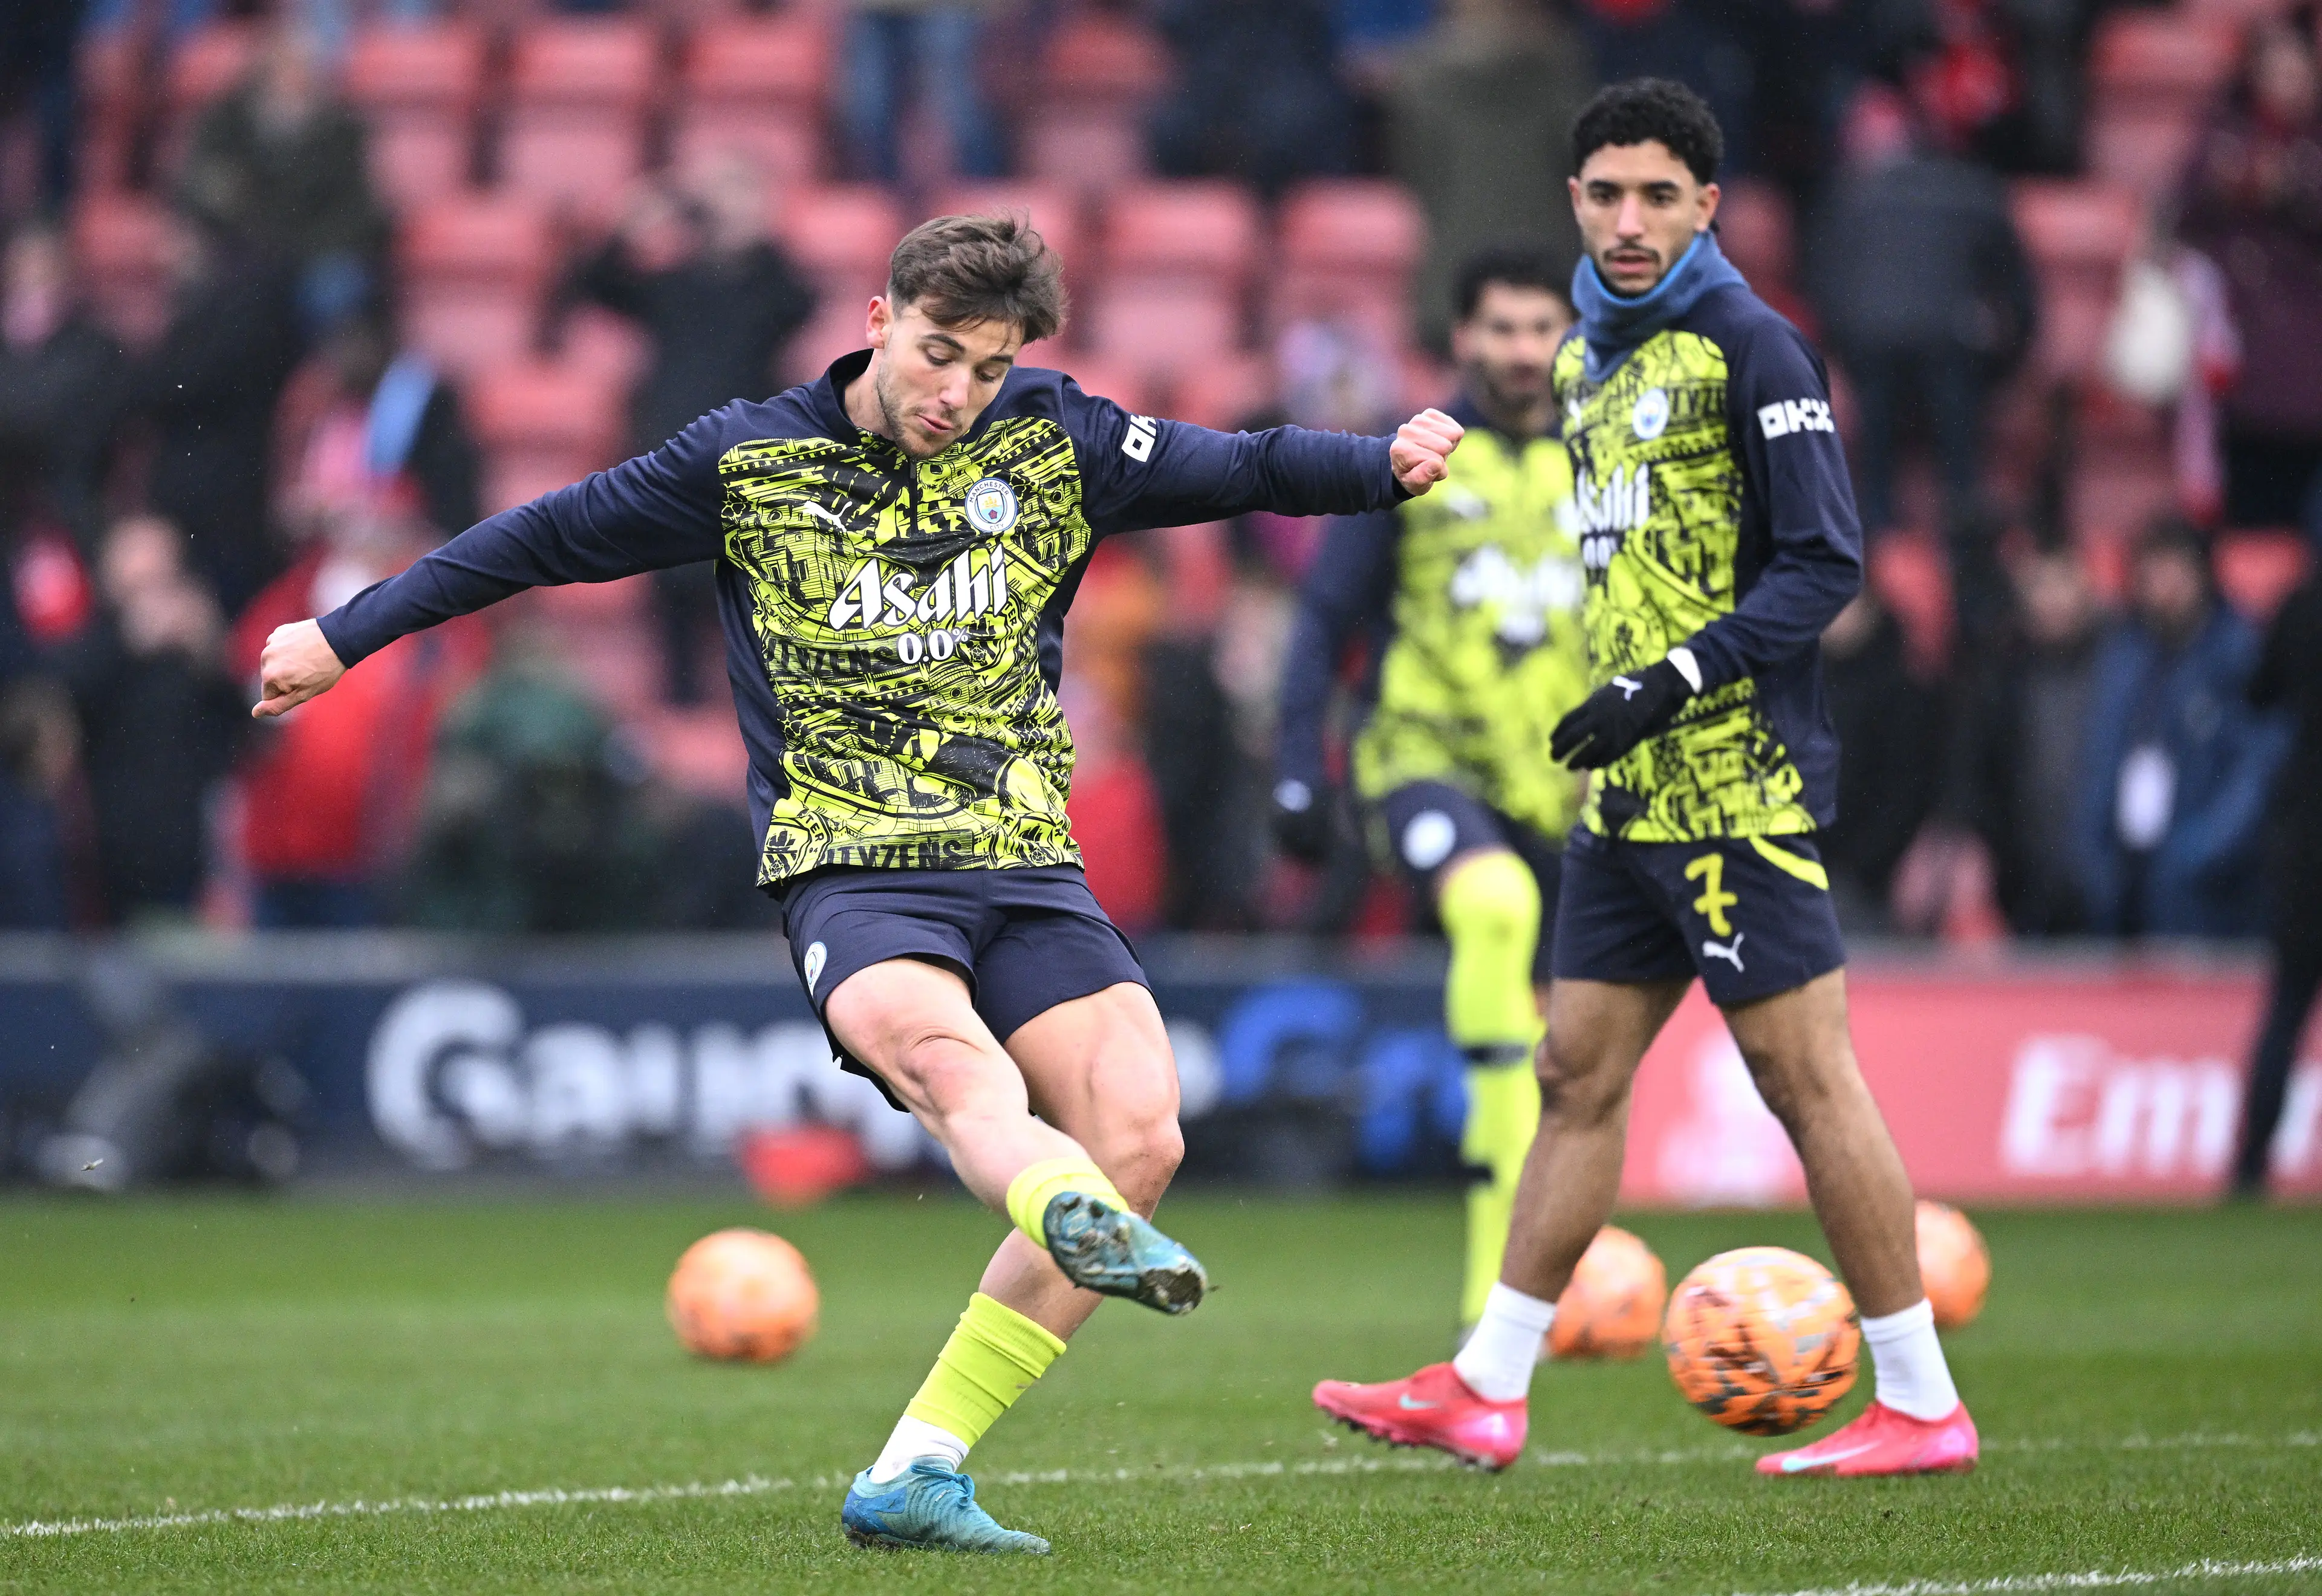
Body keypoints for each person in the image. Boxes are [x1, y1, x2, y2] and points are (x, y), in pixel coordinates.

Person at [248, 214, 1463, 1554]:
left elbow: (1246, 464)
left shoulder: (1054, 439)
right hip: (855, 869)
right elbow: (539, 538)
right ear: (880, 320)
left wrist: (1382, 463)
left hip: (1023, 860)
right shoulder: (748, 460)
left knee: (1146, 1135)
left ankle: (918, 1468)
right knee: (958, 1073)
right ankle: (1063, 1210)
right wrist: (344, 633)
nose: (959, 393)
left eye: (989, 369)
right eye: (939, 353)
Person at [1313, 79, 1979, 1481]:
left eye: (1658, 197)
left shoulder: (1755, 347)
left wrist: (1672, 680)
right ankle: (1487, 1386)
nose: (1629, 221)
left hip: (1729, 782)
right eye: (1606, 194)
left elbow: (1826, 565)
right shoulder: (1588, 364)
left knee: (1804, 1078)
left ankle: (1922, 1403)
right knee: (1573, 1074)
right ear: (1574, 200)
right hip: (1620, 799)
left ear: (1705, 207)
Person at [1273, 244, 1588, 1335]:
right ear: (1463, 336)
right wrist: (1297, 769)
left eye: (1540, 327)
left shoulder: (1605, 461)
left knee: (1568, 1048)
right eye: (1502, 327)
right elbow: (1323, 620)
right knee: (1494, 907)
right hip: (1421, 760)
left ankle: (1536, 1279)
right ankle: (1489, 1300)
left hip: (1566, 784)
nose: (1522, 349)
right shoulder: (1414, 454)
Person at [568, 157, 817, 703]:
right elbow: (595, 286)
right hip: (676, 463)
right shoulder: (672, 284)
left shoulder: (766, 289)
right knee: (675, 606)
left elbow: (799, 304)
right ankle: (680, 721)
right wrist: (627, 229)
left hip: (748, 469)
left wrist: (760, 238)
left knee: (750, 604)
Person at [2070, 520, 2283, 940]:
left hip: (2211, 886)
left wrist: (2200, 852)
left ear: (2203, 574)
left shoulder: (2240, 654)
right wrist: (2093, 854)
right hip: (2125, 876)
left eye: (2175, 573)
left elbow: (2257, 770)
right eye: (2152, 575)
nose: (2164, 589)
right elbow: (2098, 759)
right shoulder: (2123, 655)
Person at [2177, 19, 2322, 531]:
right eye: (2274, 69)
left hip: (2308, 355)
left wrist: (2292, 188)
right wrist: (2230, 185)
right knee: (2246, 513)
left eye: (2296, 69)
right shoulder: (2223, 134)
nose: (2286, 82)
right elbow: (2180, 214)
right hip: (2238, 355)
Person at [1386, 0, 1593, 354]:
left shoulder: (1416, 83)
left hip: (1451, 291)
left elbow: (1414, 174)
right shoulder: (1559, 74)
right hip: (1545, 289)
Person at [2236, 563, 2322, 1196]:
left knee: (2287, 1004)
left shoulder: (2300, 605)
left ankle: (2249, 1168)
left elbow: (2257, 693)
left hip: (2306, 833)